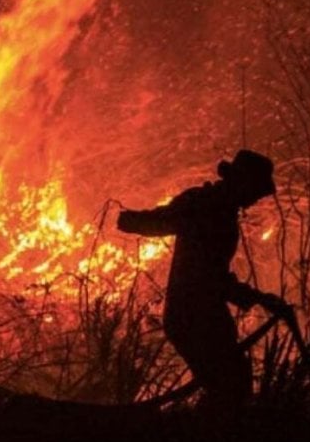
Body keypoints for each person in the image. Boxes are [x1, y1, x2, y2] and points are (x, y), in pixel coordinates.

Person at [117, 150, 285, 411]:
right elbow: (167, 226)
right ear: (241, 183)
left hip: (204, 313)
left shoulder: (219, 209)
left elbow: (213, 274)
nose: (256, 198)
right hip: (192, 316)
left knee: (231, 384)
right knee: (230, 387)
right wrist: (133, 220)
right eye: (255, 190)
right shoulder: (205, 206)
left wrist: (258, 298)